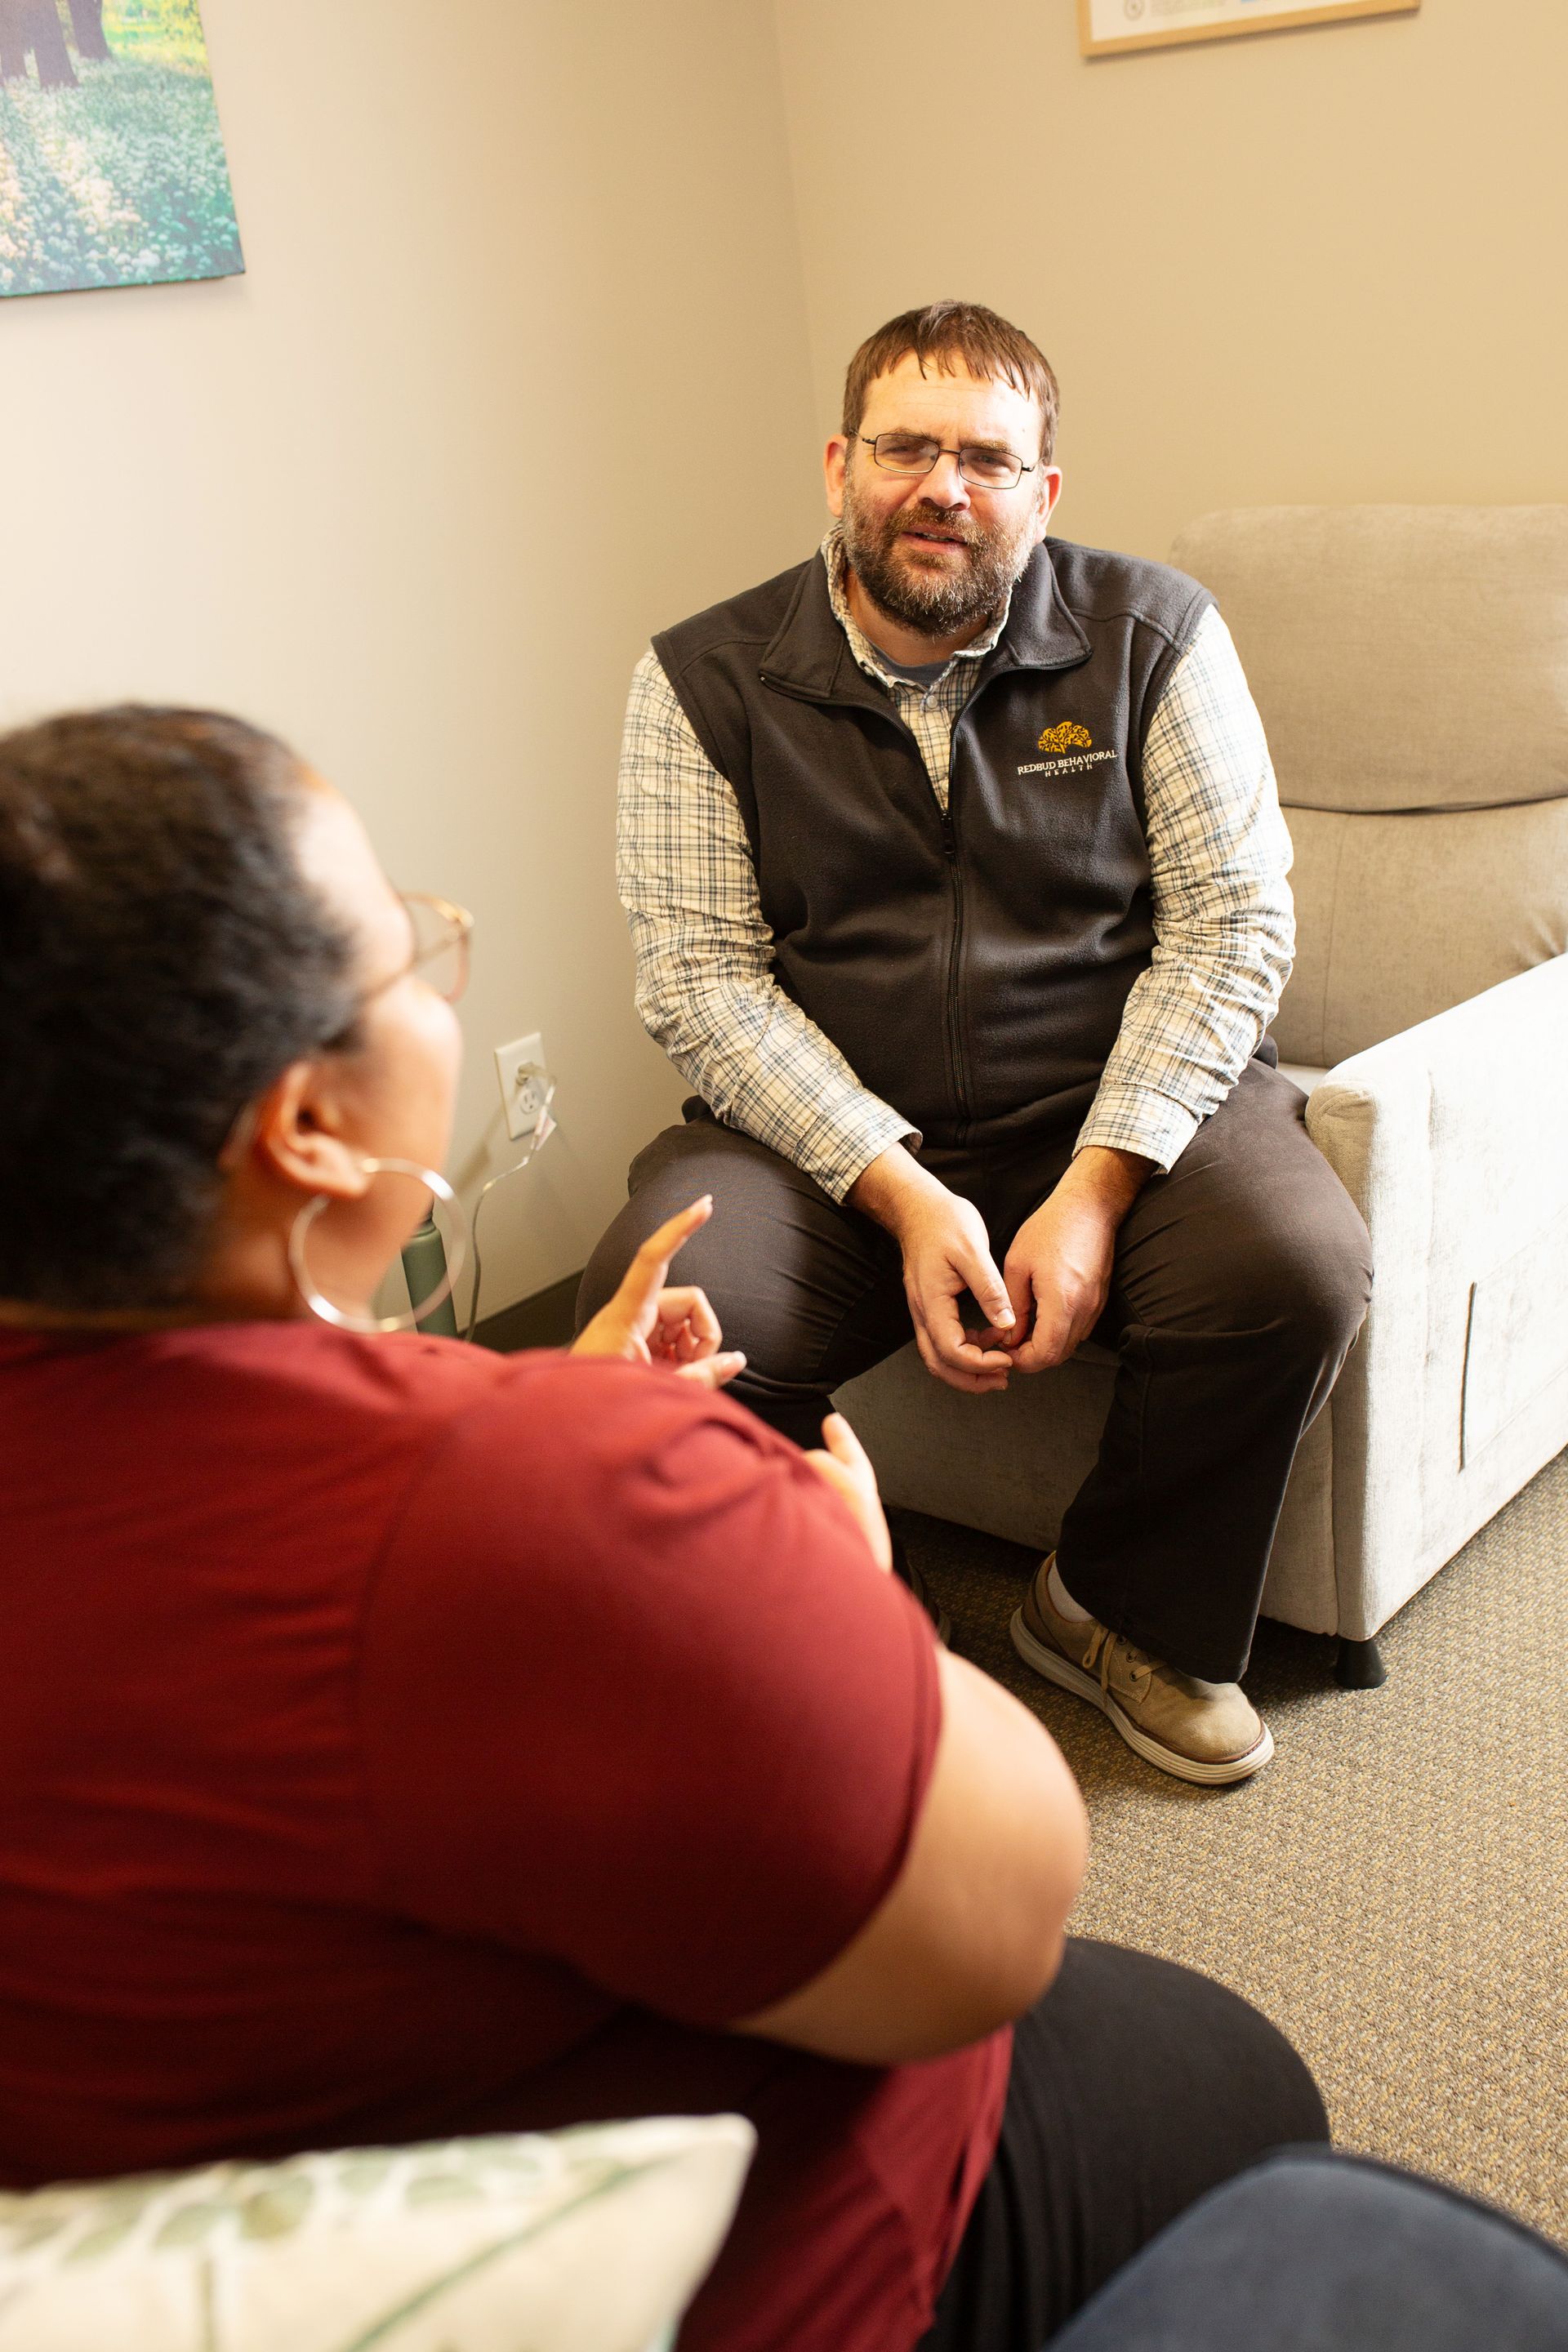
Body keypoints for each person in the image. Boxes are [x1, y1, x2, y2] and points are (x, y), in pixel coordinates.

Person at [0, 706, 1329, 2352]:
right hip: (679, 2261)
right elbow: (999, 1918)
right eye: (403, 949)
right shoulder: (520, 1497)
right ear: (308, 1131)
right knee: (1233, 2076)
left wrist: (557, 1420)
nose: (439, 967)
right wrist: (844, 1589)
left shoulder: (1147, 640)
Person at [583, 298, 1374, 1785]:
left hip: (1112, 1101)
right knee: (664, 1313)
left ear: (1042, 493)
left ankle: (1116, 1611)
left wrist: (1098, 1183)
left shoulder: (1155, 635)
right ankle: (854, 1628)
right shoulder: (701, 679)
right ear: (840, 467)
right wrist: (898, 1188)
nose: (943, 487)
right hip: (828, 1133)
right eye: (906, 448)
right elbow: (702, 982)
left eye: (988, 460)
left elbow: (1231, 930)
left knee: (1294, 1270)